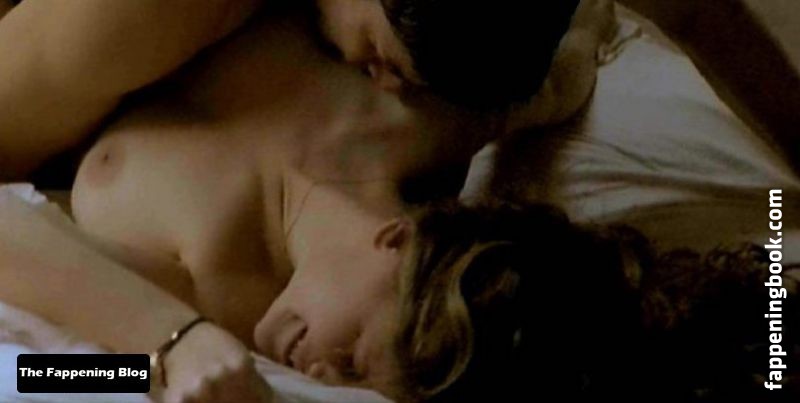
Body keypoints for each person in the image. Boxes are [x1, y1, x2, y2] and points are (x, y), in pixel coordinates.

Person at [0, 1, 614, 402]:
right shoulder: (426, 116)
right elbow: (575, 47)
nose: (317, 372)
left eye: (346, 385)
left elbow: (36, 371)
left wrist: (167, 348)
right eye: (353, 357)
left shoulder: (223, 297)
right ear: (398, 241)